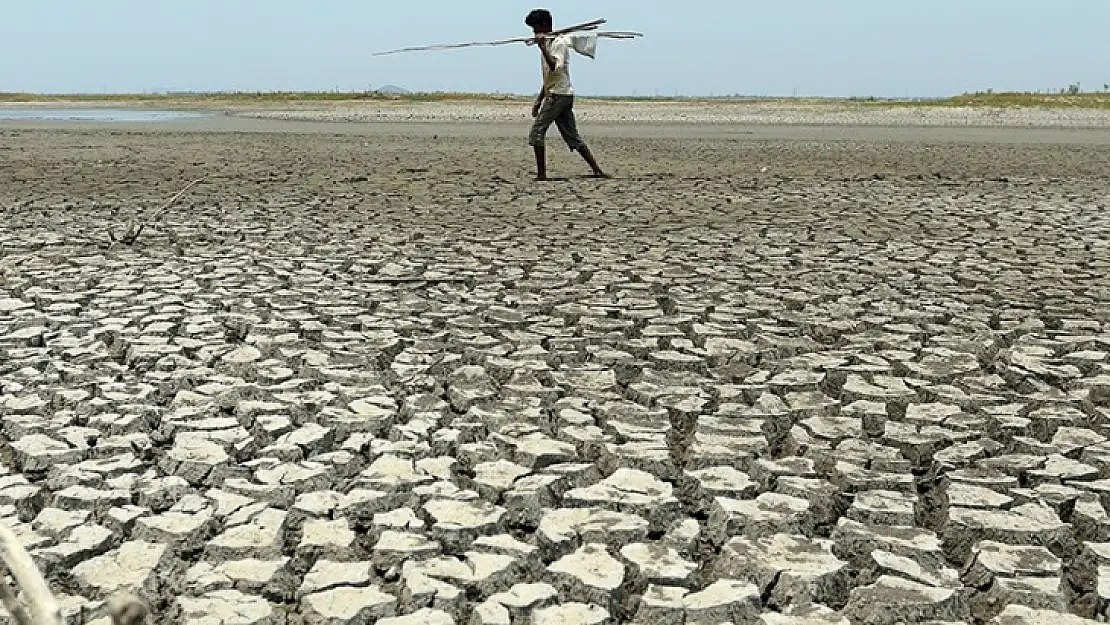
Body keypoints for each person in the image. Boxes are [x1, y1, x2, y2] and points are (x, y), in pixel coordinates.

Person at [524, 8, 609, 181]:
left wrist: (542, 48)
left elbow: (555, 66)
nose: (533, 32)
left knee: (537, 133)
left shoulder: (559, 43)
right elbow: (549, 76)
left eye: (535, 27)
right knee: (572, 136)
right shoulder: (548, 43)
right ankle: (597, 170)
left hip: (559, 96)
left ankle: (541, 175)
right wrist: (539, 100)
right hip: (557, 93)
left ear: (544, 25)